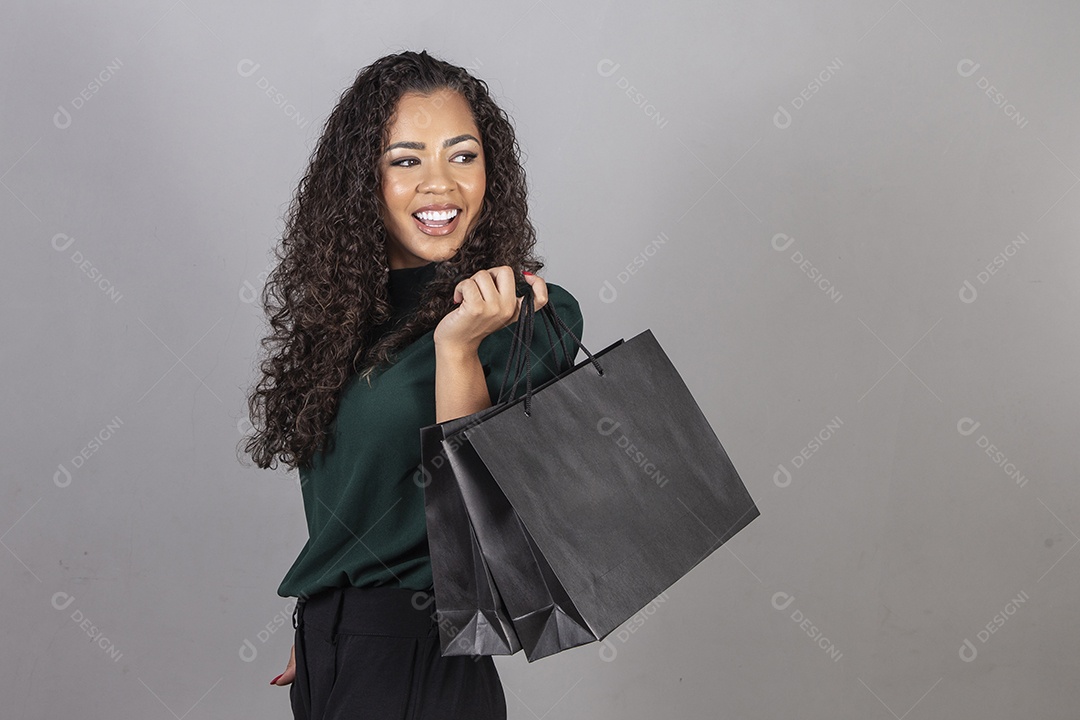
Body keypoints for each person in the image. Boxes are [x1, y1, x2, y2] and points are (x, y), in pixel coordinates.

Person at [239, 49, 584, 719]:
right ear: (363, 178)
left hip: (424, 653)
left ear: (493, 168)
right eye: (406, 160)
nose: (441, 185)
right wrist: (332, 617)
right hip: (335, 650)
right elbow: (355, 500)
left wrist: (458, 349)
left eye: (463, 156)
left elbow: (478, 520)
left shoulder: (530, 315)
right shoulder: (345, 318)